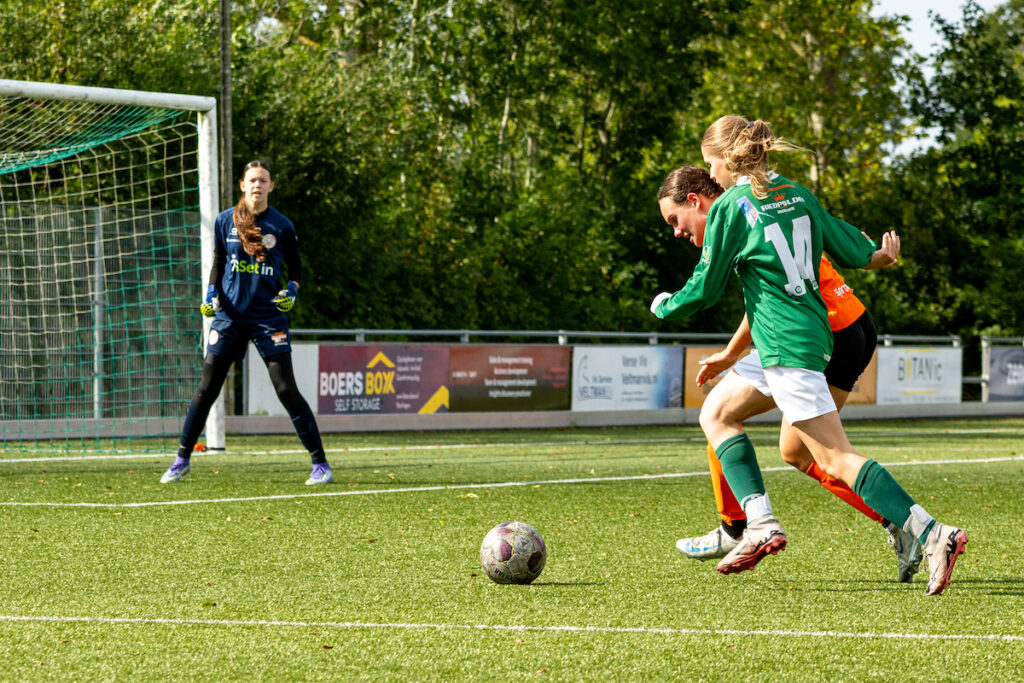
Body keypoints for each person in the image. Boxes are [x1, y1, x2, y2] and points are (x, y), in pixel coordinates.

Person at [650, 116, 967, 595]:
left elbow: (704, 289)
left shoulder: (731, 205)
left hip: (786, 342)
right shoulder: (796, 194)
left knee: (835, 456)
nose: (710, 174)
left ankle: (931, 532)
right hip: (811, 332)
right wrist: (876, 256)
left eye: (711, 165)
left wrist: (664, 305)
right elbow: (846, 244)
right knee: (718, 413)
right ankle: (757, 523)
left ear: (726, 160)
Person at [160, 160, 333, 486]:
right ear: (243, 185)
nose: (257, 185)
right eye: (252, 180)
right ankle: (181, 459)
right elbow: (218, 263)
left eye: (263, 180)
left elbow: (296, 268)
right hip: (229, 317)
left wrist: (292, 292)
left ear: (271, 186)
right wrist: (211, 295)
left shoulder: (282, 225)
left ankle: (320, 464)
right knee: (207, 389)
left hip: (268, 317)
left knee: (286, 389)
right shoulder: (225, 220)